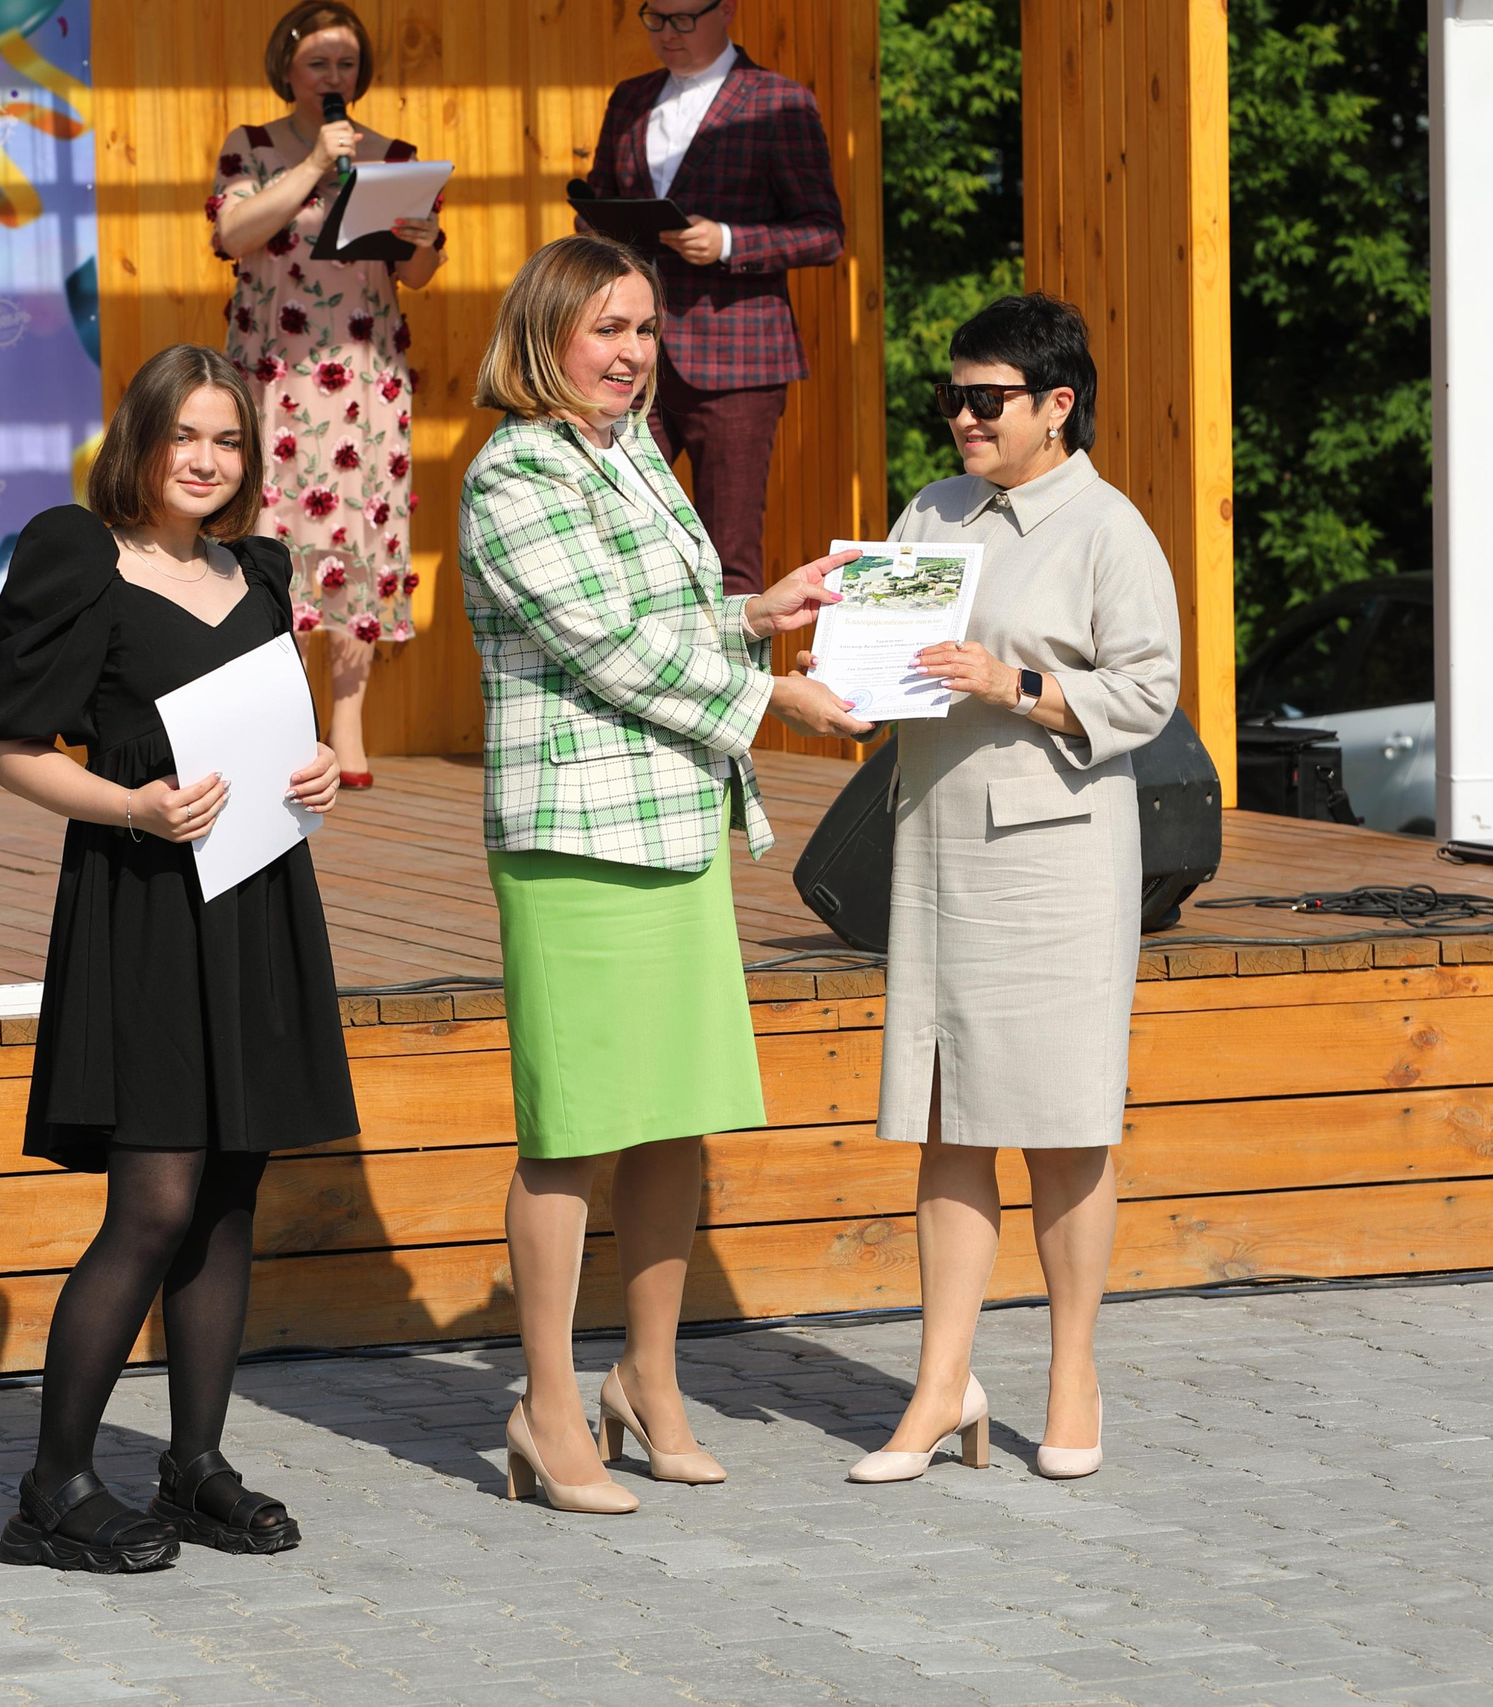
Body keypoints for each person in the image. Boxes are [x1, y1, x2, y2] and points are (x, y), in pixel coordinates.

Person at [458, 234, 871, 1512]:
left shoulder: (630, 449)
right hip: (577, 831)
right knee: (575, 1132)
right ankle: (544, 1404)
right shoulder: (512, 472)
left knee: (671, 1121)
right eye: (606, 330)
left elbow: (668, 619)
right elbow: (606, 651)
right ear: (544, 337)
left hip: (676, 821)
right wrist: (776, 699)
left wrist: (762, 606)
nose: (632, 353)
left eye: (643, 328)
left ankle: (647, 1381)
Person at [0, 343, 358, 1571]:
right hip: (142, 898)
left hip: (254, 895)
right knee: (150, 1202)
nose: (206, 461)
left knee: (229, 1197)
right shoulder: (74, 552)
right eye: (184, 436)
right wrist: (134, 808)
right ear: (139, 441)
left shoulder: (257, 566)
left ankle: (194, 1463)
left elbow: (283, 742)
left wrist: (319, 767)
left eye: (229, 441)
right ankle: (54, 1486)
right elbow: (15, 752)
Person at [844, 294, 1181, 1486]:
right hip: (935, 849)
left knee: (1062, 1122)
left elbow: (1148, 693)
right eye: (951, 399)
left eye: (985, 401)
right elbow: (891, 666)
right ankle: (942, 1384)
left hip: (1053, 862)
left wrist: (1016, 682)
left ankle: (1072, 1369)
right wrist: (846, 662)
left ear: (1056, 405)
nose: (962, 419)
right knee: (946, 1122)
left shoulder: (1108, 527)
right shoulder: (930, 510)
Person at [212, 0, 447, 791]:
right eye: (319, 64)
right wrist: (313, 164)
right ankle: (283, 718)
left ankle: (347, 723)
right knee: (269, 540)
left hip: (364, 383)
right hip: (274, 375)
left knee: (360, 538)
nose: (334, 78)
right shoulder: (251, 149)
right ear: (288, 69)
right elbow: (235, 236)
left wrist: (423, 243)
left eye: (346, 64)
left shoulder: (393, 157)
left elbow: (415, 275)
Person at [580, 0, 845, 599]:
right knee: (613, 530)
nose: (666, 34)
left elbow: (825, 232)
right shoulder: (629, 99)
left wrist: (727, 240)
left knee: (730, 551)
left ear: (725, 11)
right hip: (629, 357)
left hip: (739, 362)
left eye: (682, 19)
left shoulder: (779, 101)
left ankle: (740, 692)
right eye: (654, 19)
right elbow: (596, 209)